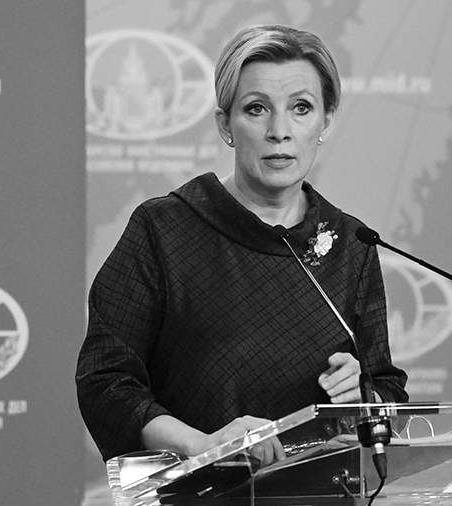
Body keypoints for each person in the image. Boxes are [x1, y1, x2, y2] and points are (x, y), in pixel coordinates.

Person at [76, 24, 408, 465]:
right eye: (256, 109)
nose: (279, 130)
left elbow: (386, 390)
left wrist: (363, 394)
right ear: (225, 124)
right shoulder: (164, 229)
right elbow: (105, 381)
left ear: (325, 122)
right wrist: (200, 446)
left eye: (301, 108)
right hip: (198, 487)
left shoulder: (350, 243)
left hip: (322, 489)